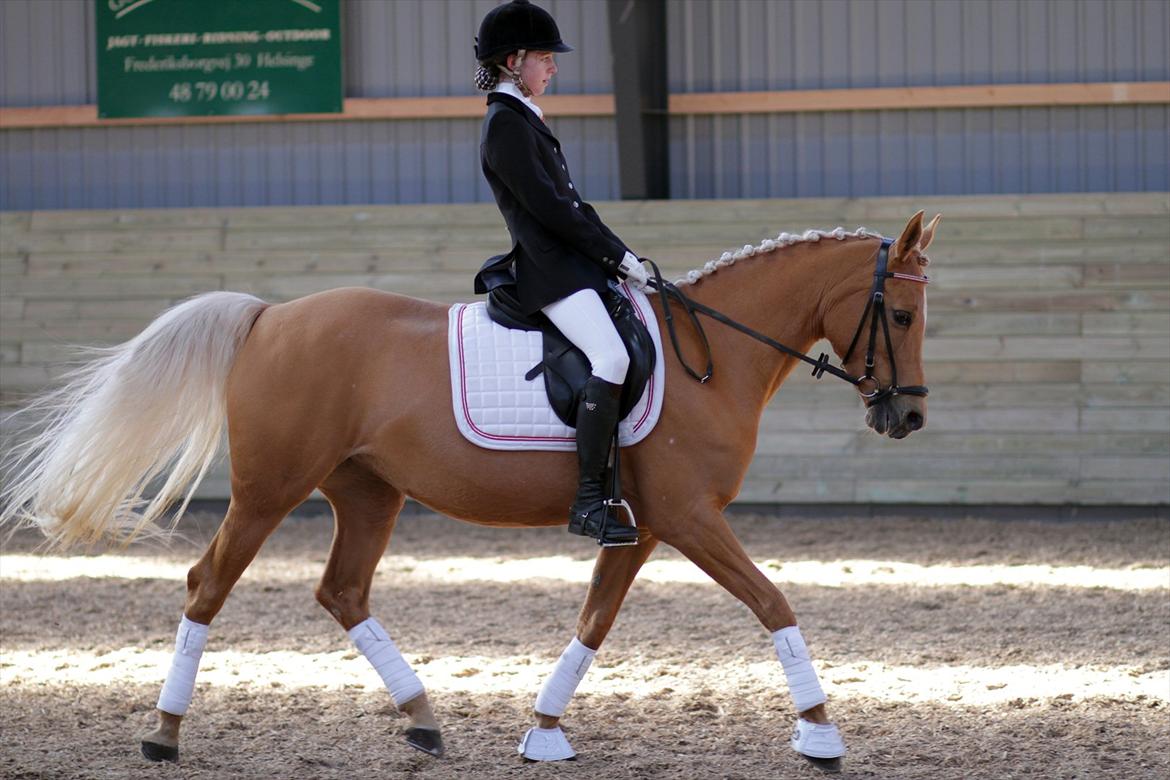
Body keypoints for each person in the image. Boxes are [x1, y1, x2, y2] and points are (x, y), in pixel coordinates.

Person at [474, 0, 648, 547]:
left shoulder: (526, 118)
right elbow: (551, 211)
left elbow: (577, 206)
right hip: (550, 273)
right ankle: (590, 501)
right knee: (612, 356)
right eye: (545, 58)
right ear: (513, 60)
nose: (553, 68)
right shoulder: (505, 124)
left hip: (575, 266)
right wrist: (612, 259)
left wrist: (625, 256)